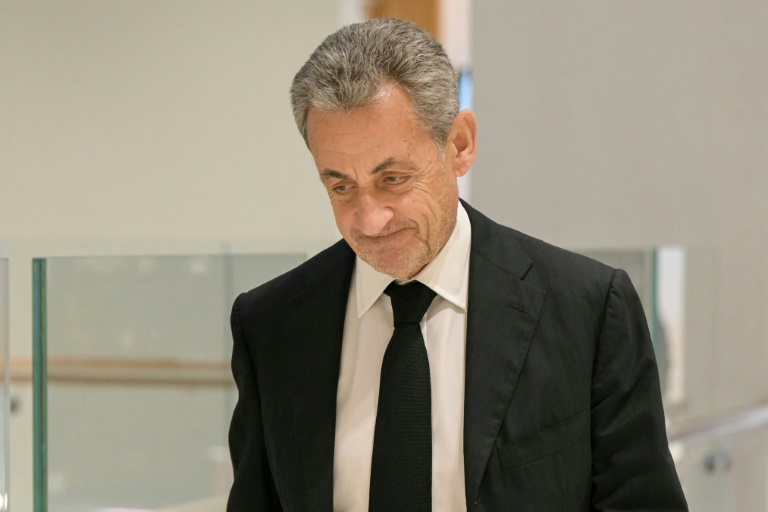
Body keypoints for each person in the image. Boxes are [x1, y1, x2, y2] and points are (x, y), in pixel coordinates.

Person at [227, 18, 687, 512]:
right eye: (341, 186)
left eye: (393, 179)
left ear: (460, 145)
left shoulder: (587, 310)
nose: (370, 219)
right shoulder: (270, 325)